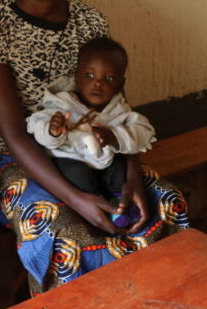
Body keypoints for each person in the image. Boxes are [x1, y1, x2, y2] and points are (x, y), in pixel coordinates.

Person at [0, 0, 189, 293]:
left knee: (162, 200)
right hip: (9, 163)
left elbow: (117, 108)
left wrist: (132, 177)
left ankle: (157, 306)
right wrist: (75, 198)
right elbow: (14, 135)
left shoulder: (91, 23)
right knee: (71, 232)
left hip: (94, 152)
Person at [26, 36, 155, 227]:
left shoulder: (118, 109)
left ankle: (120, 206)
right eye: (89, 75)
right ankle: (95, 207)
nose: (98, 83)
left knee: (119, 167)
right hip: (71, 160)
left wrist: (115, 137)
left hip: (105, 162)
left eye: (109, 78)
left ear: (120, 84)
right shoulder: (62, 103)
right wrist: (53, 131)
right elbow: (35, 125)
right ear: (77, 77)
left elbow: (144, 131)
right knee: (76, 174)